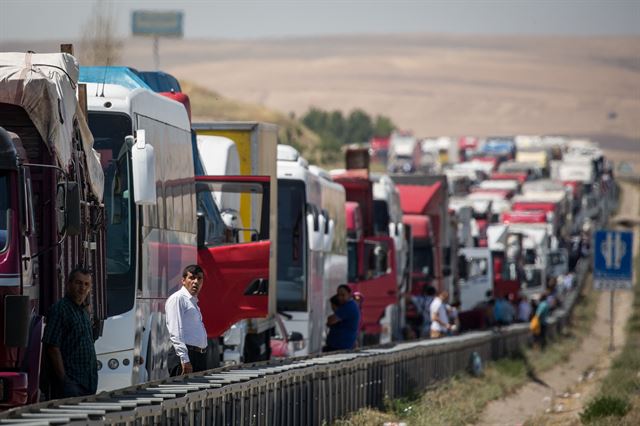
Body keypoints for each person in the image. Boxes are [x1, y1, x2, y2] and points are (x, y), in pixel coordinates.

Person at [42, 267, 98, 398]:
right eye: (78, 283)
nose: (82, 288)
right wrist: (64, 380)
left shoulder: (83, 311)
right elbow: (52, 347)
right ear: (69, 284)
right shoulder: (60, 309)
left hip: (87, 383)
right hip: (71, 384)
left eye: (86, 284)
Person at [166, 265, 208, 376]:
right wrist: (185, 359)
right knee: (184, 393)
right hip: (185, 357)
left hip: (198, 356)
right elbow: (175, 331)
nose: (196, 282)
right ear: (183, 280)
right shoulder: (178, 299)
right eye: (192, 278)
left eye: (199, 278)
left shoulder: (192, 302)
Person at [325, 285, 361, 352]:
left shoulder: (348, 307)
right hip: (340, 346)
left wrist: (331, 318)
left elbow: (331, 321)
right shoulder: (350, 306)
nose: (340, 297)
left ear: (349, 294)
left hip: (340, 348)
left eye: (343, 295)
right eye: (339, 295)